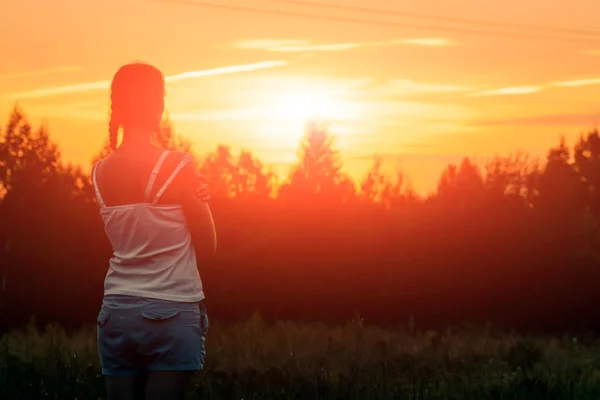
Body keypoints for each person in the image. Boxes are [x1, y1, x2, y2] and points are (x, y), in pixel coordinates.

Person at [92, 62, 217, 400]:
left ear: (117, 106)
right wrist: (198, 197)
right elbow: (208, 243)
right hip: (172, 310)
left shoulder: (99, 173)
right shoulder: (177, 165)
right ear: (156, 106)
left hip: (116, 311)